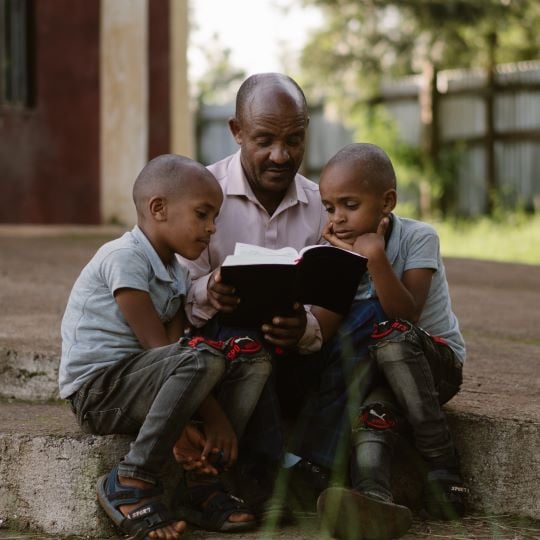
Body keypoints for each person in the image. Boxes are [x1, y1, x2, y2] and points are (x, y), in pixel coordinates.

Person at [59, 154, 272, 540]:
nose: (211, 229)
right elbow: (159, 347)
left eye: (215, 219)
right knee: (203, 356)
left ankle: (203, 482)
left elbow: (177, 349)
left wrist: (196, 415)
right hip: (100, 392)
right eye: (203, 214)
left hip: (147, 382)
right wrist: (215, 418)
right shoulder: (124, 258)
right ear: (158, 208)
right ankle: (130, 479)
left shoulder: (175, 272)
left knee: (249, 356)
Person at [178, 73, 340, 516]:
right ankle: (265, 475)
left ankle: (320, 469)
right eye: (264, 139)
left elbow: (332, 298)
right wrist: (209, 291)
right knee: (242, 339)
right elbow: (173, 293)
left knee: (364, 336)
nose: (280, 155)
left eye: (294, 140)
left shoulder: (320, 205)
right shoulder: (198, 196)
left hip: (296, 360)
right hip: (226, 355)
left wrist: (304, 327)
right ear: (236, 131)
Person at [311, 143, 468, 540]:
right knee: (373, 418)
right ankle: (372, 501)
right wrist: (337, 264)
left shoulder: (419, 237)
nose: (338, 218)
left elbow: (406, 314)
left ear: (387, 202)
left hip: (434, 366)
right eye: (329, 208)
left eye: (349, 204)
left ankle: (443, 466)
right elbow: (326, 330)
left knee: (393, 337)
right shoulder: (336, 249)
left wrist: (375, 259)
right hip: (376, 373)